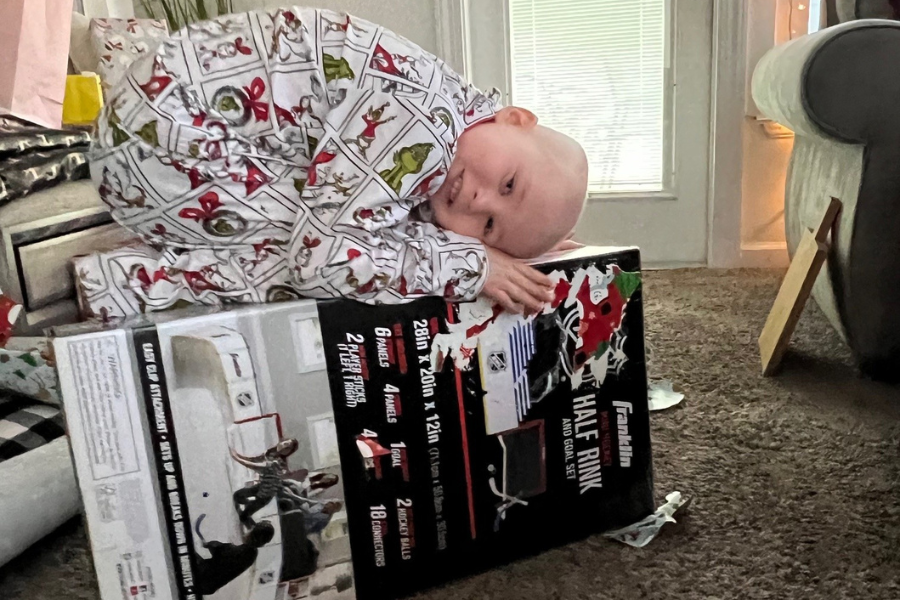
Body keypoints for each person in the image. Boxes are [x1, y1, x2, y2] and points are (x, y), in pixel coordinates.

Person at [82, 6, 589, 318]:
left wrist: (526, 242)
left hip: (160, 117)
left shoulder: (449, 101)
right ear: (514, 117)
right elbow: (320, 262)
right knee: (326, 260)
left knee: (367, 227)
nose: (478, 200)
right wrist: (468, 262)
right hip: (156, 149)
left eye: (490, 225)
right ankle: (128, 285)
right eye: (508, 183)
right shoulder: (425, 127)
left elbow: (375, 200)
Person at [193, 518, 275, 595]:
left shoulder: (242, 552)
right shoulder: (252, 554)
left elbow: (221, 550)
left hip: (201, 578)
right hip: (209, 586)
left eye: (251, 530)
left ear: (252, 535)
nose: (248, 531)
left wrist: (209, 544)